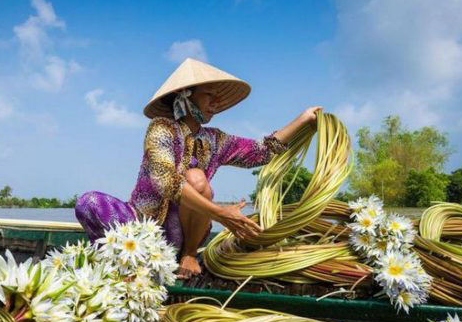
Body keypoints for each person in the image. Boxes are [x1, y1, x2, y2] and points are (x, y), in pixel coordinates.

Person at [75, 57, 320, 279]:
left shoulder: (216, 140)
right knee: (87, 202)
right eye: (208, 96)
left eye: (218, 97)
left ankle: (189, 256)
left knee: (196, 178)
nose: (216, 103)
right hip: (139, 225)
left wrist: (303, 119)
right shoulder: (162, 128)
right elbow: (165, 180)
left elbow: (261, 152)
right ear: (185, 95)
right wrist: (220, 213)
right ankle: (118, 263)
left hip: (178, 237)